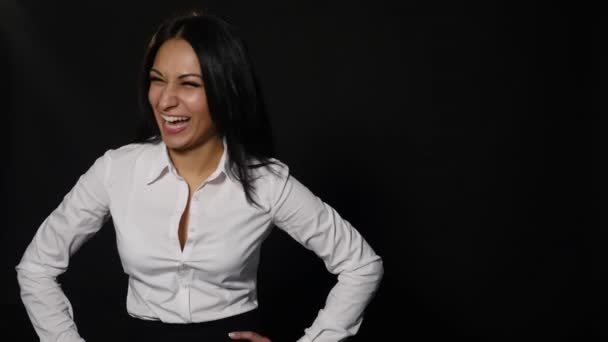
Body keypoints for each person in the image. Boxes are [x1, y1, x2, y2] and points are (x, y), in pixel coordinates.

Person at [15, 10, 383, 342]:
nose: (165, 100)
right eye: (158, 80)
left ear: (226, 90)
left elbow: (361, 265)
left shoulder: (265, 182)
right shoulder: (117, 170)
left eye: (189, 84)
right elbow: (36, 269)